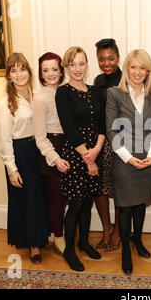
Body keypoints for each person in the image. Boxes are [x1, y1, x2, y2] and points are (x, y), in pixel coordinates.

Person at [106, 49, 151, 275]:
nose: (137, 72)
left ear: (148, 71)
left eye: (142, 67)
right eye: (133, 67)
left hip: (149, 159)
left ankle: (137, 240)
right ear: (126, 68)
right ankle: (126, 249)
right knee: (126, 207)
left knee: (140, 205)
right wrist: (129, 158)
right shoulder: (114, 93)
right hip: (124, 160)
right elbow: (111, 130)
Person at [0, 52, 50, 264]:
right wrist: (12, 168)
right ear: (8, 76)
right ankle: (33, 244)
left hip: (40, 149)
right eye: (13, 70)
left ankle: (42, 235)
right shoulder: (4, 103)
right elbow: (4, 139)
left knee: (41, 196)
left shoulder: (38, 94)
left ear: (29, 71)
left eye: (22, 69)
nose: (19, 74)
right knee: (27, 200)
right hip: (21, 153)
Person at [55, 46, 105, 271]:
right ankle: (69, 249)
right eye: (72, 64)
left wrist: (98, 149)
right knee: (75, 204)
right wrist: (89, 158)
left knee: (88, 202)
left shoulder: (95, 91)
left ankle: (84, 242)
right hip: (77, 154)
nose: (77, 68)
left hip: (96, 149)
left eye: (81, 63)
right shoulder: (63, 92)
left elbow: (102, 123)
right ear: (67, 66)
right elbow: (69, 128)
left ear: (87, 65)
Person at [32, 52, 70, 255]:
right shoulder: (40, 98)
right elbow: (39, 137)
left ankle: (55, 233)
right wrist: (55, 158)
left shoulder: (65, 92)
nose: (51, 74)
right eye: (45, 70)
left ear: (61, 70)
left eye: (54, 69)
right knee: (56, 198)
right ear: (41, 74)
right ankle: (59, 239)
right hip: (50, 149)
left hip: (67, 146)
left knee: (64, 198)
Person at [92, 38, 121, 251]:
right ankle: (106, 228)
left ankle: (119, 231)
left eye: (110, 58)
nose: (106, 63)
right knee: (99, 188)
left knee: (120, 189)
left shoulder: (126, 78)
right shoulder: (97, 80)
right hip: (100, 141)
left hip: (121, 141)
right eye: (101, 59)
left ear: (118, 57)